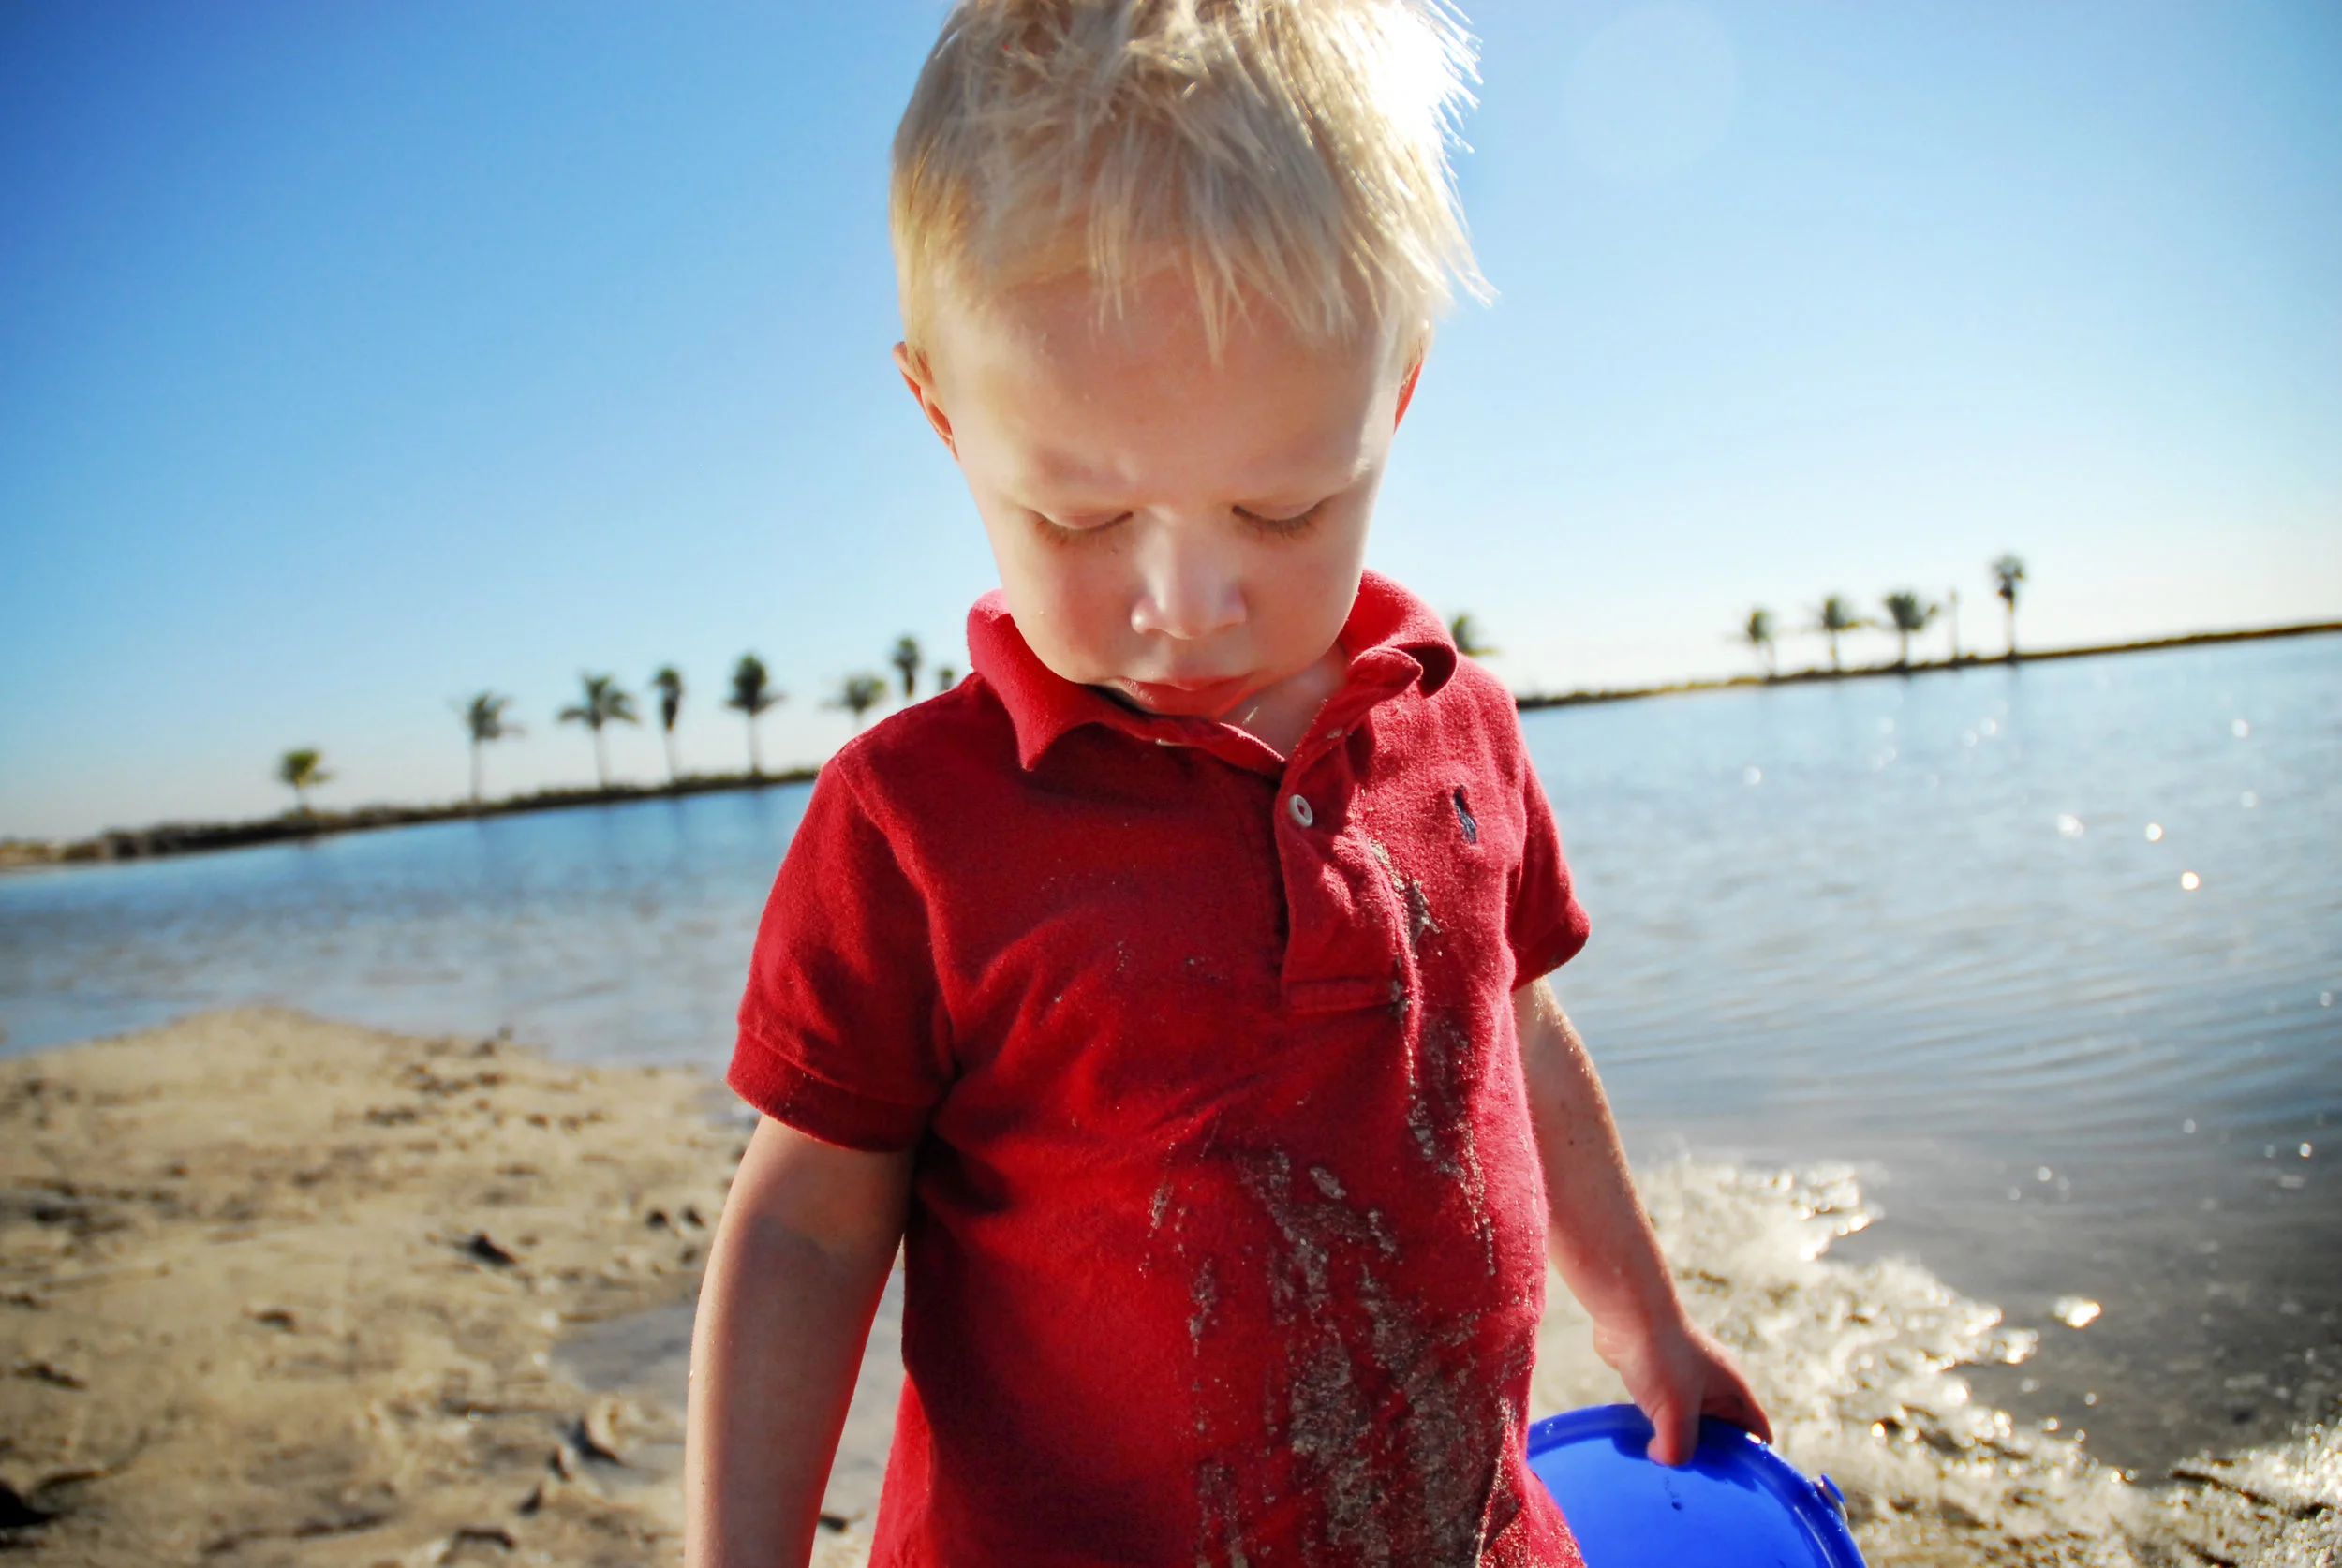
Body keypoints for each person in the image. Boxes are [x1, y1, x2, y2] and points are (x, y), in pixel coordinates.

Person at [685, 4, 1768, 1564]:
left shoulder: (1460, 734)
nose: (1188, 602)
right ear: (945, 416)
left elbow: (1511, 1037)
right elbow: (804, 1221)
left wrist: (1647, 1323)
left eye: (1282, 505)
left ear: (1391, 395)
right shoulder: (914, 825)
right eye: (1080, 515)